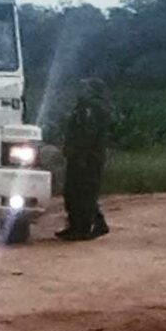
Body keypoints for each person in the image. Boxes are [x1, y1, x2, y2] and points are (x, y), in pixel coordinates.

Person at [56, 78, 111, 241]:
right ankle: (78, 226)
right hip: (85, 156)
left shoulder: (91, 108)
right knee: (77, 192)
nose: (80, 89)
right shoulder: (91, 106)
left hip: (86, 158)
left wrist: (80, 154)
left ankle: (83, 228)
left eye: (85, 87)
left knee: (82, 193)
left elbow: (87, 134)